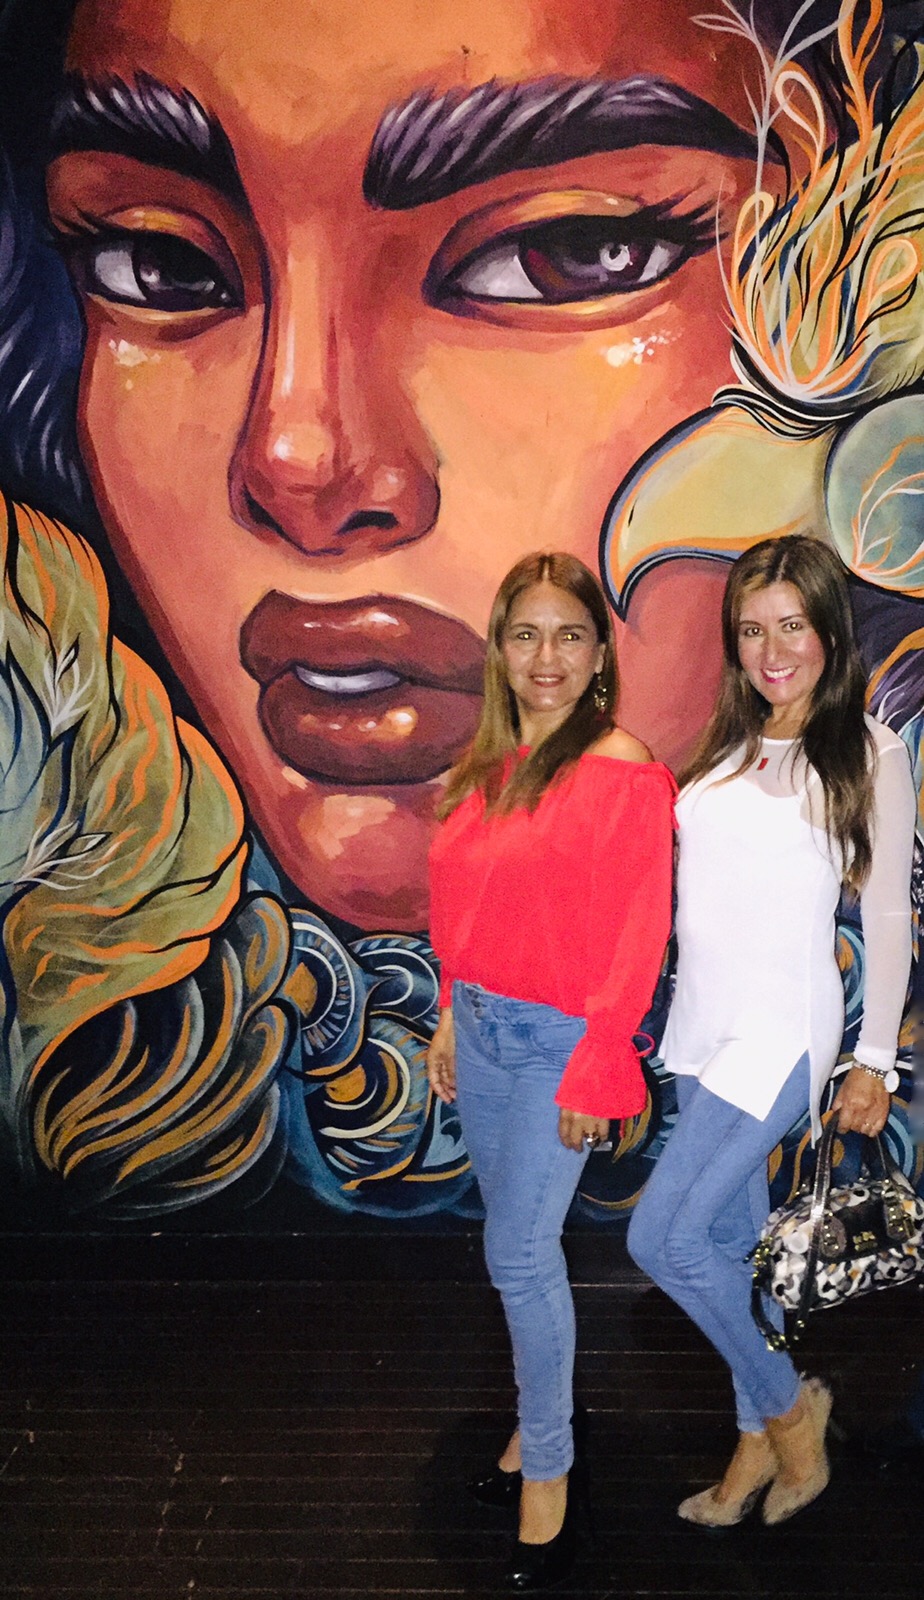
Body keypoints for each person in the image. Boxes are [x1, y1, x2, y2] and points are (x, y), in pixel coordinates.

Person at [627, 534, 917, 1527]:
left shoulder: (868, 749)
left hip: (781, 1032)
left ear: (830, 630)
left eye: (792, 625)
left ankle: (792, 1413)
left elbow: (887, 914)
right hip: (703, 1027)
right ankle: (755, 1435)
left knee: (662, 1238)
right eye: (752, 630)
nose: (771, 649)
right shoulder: (730, 743)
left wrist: (874, 1060)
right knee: (729, 1242)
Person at [426, 551, 675, 1588]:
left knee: (521, 1256)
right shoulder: (486, 764)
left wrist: (598, 1061)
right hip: (482, 1031)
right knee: (513, 1245)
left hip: (556, 1044)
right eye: (526, 633)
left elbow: (638, 933)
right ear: (499, 649)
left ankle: (551, 1471)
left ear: (599, 654)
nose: (547, 656)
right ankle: (539, 1428)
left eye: (569, 635)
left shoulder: (623, 769)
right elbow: (464, 905)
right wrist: (449, 1011)